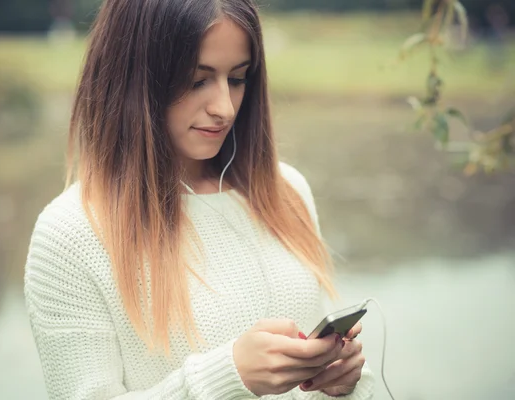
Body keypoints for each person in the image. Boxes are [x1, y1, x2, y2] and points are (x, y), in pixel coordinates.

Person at [23, 0, 375, 399]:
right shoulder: (70, 233)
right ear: (133, 76)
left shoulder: (287, 190)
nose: (224, 108)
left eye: (238, 79)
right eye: (196, 80)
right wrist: (225, 378)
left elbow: (316, 381)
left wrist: (343, 382)